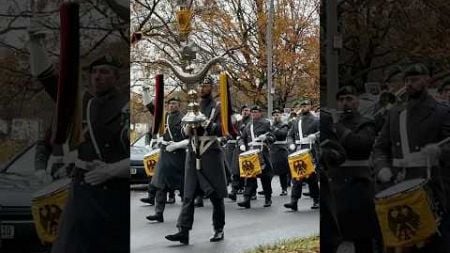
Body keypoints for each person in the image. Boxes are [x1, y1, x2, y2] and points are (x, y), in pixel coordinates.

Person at [51, 55, 130, 253]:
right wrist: (35, 45)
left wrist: (111, 171)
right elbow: (47, 80)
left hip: (113, 197)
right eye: (94, 72)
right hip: (82, 192)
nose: (97, 77)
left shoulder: (125, 107)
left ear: (116, 77)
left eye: (104, 72)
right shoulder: (82, 104)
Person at [372, 63, 450, 252]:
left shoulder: (441, 111)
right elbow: (380, 147)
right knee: (401, 242)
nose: (409, 84)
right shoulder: (395, 113)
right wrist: (382, 168)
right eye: (407, 80)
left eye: (414, 80)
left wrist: (440, 151)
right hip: (397, 184)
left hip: (431, 184)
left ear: (426, 80)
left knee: (433, 242)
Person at [165, 76, 228, 244]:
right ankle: (183, 231)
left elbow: (223, 130)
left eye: (206, 85)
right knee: (188, 194)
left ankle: (218, 228)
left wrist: (206, 123)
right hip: (193, 152)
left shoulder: (219, 107)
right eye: (201, 85)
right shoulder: (193, 107)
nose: (202, 88)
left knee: (216, 195)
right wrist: (188, 127)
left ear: (212, 87)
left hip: (210, 153)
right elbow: (185, 132)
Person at [331, 85, 379, 253]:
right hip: (337, 185)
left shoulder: (366, 122)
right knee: (338, 236)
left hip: (359, 185)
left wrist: (339, 129)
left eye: (349, 99)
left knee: (362, 237)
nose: (345, 103)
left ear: (357, 102)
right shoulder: (332, 125)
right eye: (341, 100)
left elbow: (361, 144)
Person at [146, 97, 187, 222]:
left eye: (174, 103)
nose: (171, 106)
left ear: (179, 105)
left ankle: (186, 214)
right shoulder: (165, 117)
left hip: (178, 155)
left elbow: (188, 137)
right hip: (165, 154)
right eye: (170, 104)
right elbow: (152, 109)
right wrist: (145, 93)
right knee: (161, 184)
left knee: (183, 187)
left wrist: (176, 145)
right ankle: (159, 213)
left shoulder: (184, 119)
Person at [284, 99, 320, 210]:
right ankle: (294, 201)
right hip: (298, 150)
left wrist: (316, 135)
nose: (304, 107)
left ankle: (316, 199)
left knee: (311, 177)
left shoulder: (316, 120)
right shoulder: (296, 121)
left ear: (310, 106)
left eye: (306, 105)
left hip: (310, 150)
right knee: (297, 176)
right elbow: (290, 135)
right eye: (302, 105)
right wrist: (291, 144)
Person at [237, 105, 275, 208]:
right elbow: (241, 137)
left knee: (265, 177)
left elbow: (272, 136)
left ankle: (268, 198)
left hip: (262, 153)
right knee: (249, 177)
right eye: (252, 112)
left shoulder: (266, 123)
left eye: (256, 112)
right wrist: (241, 144)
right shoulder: (248, 125)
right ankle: (247, 199)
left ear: (260, 113)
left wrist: (266, 137)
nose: (253, 113)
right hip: (251, 153)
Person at [269, 109, 290, 196]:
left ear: (280, 115)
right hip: (272, 149)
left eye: (277, 115)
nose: (275, 117)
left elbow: (282, 134)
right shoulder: (270, 125)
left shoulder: (284, 125)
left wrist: (274, 129)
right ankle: (267, 189)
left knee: (283, 171)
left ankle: (284, 189)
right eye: (274, 115)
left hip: (281, 149)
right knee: (269, 171)